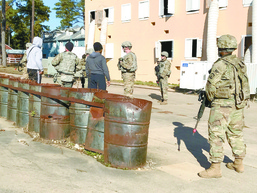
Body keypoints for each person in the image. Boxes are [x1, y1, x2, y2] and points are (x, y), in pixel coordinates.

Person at [198, 34, 250, 178]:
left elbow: (210, 86)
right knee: (236, 133)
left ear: (221, 48)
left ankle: (215, 168)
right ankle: (238, 163)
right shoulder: (240, 63)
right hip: (238, 104)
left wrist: (210, 100)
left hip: (222, 105)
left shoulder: (220, 64)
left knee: (216, 134)